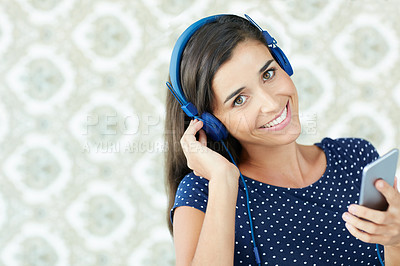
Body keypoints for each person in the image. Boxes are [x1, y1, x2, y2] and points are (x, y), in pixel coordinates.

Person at [164, 14, 400, 265]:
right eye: (239, 100)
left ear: (283, 64)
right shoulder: (203, 191)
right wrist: (224, 181)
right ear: (211, 123)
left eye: (268, 74)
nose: (272, 103)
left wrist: (396, 241)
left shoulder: (356, 156)